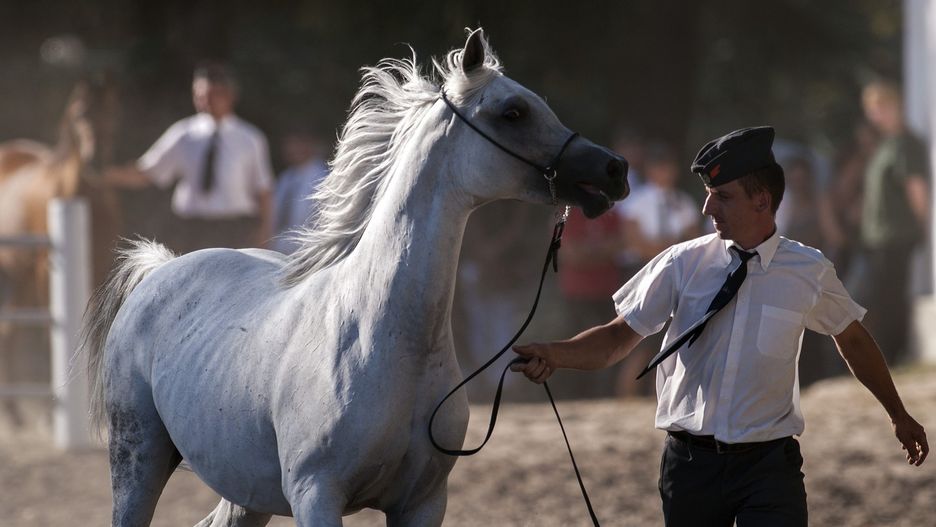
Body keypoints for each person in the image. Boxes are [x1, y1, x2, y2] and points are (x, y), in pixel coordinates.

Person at [511, 127, 928, 527]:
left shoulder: (808, 270)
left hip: (769, 466)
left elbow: (852, 339)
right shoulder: (681, 263)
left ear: (762, 200)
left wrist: (898, 414)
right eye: (709, 195)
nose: (708, 208)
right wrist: (555, 354)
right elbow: (618, 336)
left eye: (723, 196)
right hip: (692, 467)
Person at [106, 63, 274, 253]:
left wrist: (264, 235)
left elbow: (264, 190)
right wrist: (106, 175)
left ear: (229, 95)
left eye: (212, 95)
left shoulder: (250, 138)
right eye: (199, 96)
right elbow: (147, 172)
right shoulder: (184, 134)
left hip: (234, 228)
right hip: (192, 228)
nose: (204, 102)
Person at [855, 80, 931, 366]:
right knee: (880, 297)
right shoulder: (885, 144)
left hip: (897, 234)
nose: (877, 115)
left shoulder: (905, 144)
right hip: (878, 237)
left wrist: (923, 225)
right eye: (873, 109)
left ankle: (892, 355)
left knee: (890, 299)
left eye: (882, 107)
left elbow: (916, 188)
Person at [615, 142, 700, 395]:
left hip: (675, 270)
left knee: (667, 337)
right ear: (650, 169)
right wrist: (668, 250)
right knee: (639, 336)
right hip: (643, 269)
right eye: (659, 166)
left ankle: (659, 395)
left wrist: (672, 251)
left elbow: (694, 237)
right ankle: (626, 395)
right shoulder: (637, 201)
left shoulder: (682, 202)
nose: (664, 171)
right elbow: (632, 240)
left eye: (668, 166)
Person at [271, 130, 329, 254]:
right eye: (289, 144)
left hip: (310, 249)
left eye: (298, 144)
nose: (292, 149)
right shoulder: (286, 177)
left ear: (310, 145)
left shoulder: (323, 176)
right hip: (280, 249)